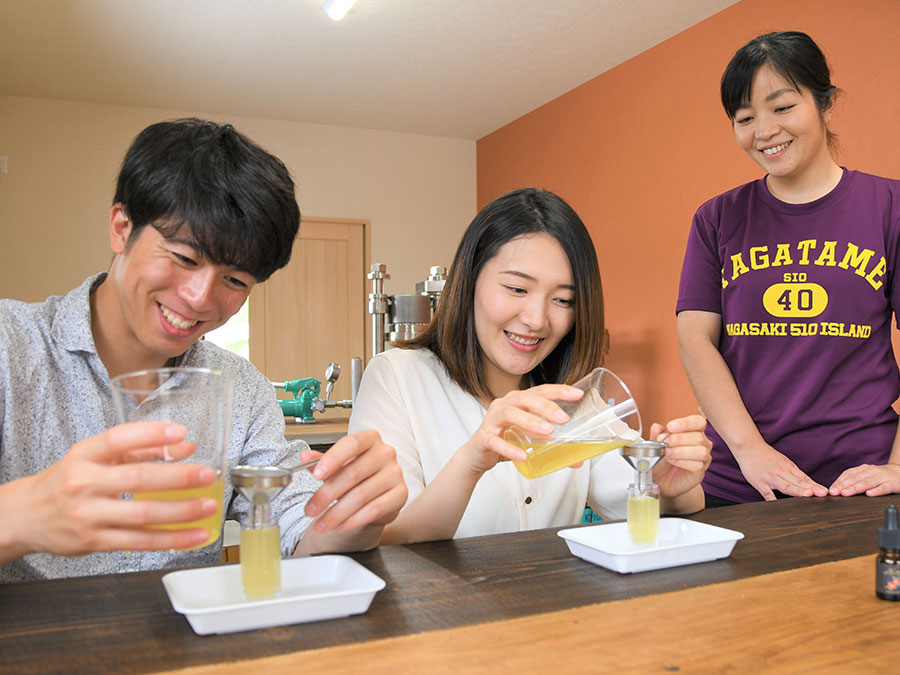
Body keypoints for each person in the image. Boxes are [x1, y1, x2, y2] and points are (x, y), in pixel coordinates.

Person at [0, 118, 406, 582]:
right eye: (184, 258)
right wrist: (25, 515)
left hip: (190, 643)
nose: (199, 298)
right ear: (121, 228)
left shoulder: (240, 389)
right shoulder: (10, 347)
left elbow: (303, 532)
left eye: (234, 280)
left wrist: (359, 513)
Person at [349, 188, 711, 544]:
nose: (537, 320)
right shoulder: (397, 378)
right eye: (517, 289)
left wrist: (670, 486)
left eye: (563, 299)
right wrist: (471, 462)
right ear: (469, 279)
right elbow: (385, 541)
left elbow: (635, 502)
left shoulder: (571, 398)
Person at [677, 31, 900, 506]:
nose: (763, 131)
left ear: (825, 102)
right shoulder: (716, 218)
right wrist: (750, 451)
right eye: (744, 118)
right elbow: (696, 339)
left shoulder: (890, 207)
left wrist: (898, 465)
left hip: (859, 478)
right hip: (742, 478)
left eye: (781, 108)